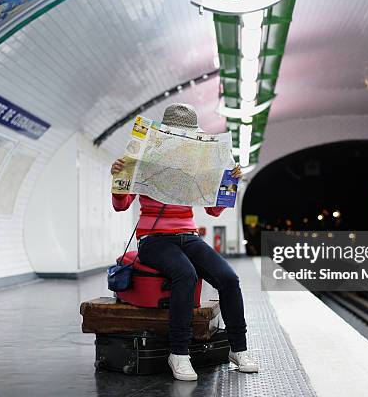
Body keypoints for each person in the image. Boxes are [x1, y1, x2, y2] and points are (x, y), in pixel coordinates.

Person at [110, 103, 259, 381]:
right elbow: (122, 204)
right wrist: (119, 176)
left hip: (189, 237)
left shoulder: (196, 165)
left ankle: (238, 349)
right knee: (185, 275)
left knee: (229, 278)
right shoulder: (144, 159)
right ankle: (178, 353)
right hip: (153, 239)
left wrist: (230, 183)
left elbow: (213, 210)